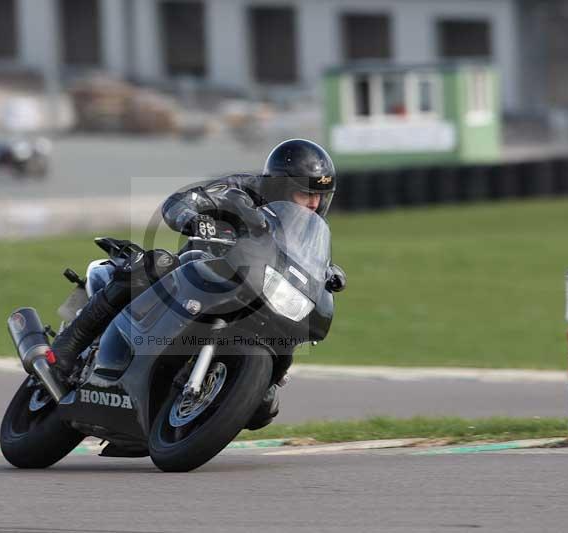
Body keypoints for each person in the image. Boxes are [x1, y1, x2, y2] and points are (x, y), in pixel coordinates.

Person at [49, 139, 347, 429]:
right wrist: (190, 218)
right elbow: (180, 202)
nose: (314, 203)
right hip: (203, 268)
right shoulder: (239, 188)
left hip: (254, 291)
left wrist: (327, 273)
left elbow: (309, 261)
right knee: (153, 264)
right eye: (305, 194)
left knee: (264, 402)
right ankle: (69, 344)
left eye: (320, 195)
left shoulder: (306, 229)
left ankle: (249, 382)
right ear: (281, 187)